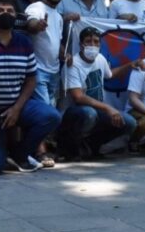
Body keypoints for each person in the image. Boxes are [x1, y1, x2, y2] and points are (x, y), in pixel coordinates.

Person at [0, 0, 62, 174]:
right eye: (0, 11)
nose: (5, 14)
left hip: (14, 108)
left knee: (50, 116)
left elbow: (31, 79)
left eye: (10, 11)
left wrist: (17, 109)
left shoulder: (23, 42)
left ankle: (20, 153)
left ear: (16, 16)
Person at [59, 27, 140, 159]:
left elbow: (110, 74)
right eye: (88, 41)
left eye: (96, 42)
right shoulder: (73, 65)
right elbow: (78, 97)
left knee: (129, 122)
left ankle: (93, 145)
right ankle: (69, 147)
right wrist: (108, 108)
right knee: (89, 113)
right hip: (74, 112)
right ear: (81, 45)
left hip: (97, 110)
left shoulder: (100, 58)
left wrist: (130, 65)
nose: (93, 45)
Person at [25, 0, 66, 166]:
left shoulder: (57, 16)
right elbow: (31, 24)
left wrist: (64, 54)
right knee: (44, 113)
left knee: (51, 113)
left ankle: (44, 148)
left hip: (54, 71)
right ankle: (39, 151)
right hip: (38, 70)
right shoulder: (36, 8)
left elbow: (55, 41)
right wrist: (37, 25)